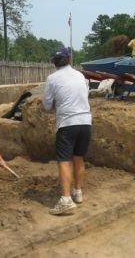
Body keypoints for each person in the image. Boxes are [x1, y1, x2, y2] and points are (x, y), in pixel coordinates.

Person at [43, 46, 92, 215]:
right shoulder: (81, 76)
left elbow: (47, 106)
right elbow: (85, 95)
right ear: (69, 59)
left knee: (64, 160)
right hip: (85, 121)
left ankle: (65, 200)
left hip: (67, 123)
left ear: (54, 63)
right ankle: (77, 193)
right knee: (78, 158)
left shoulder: (52, 79)